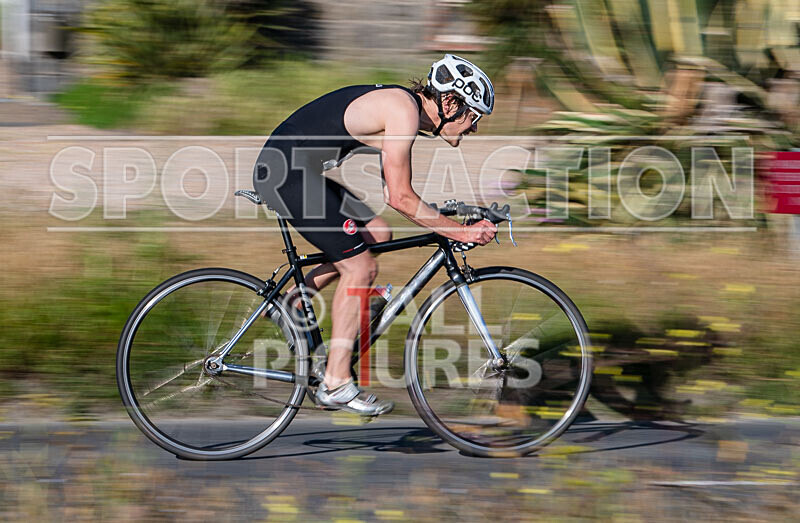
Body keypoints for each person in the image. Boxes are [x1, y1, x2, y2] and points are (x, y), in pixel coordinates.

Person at [252, 54, 498, 416]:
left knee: (377, 233)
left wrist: (446, 215)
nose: (474, 128)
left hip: (292, 168)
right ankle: (336, 383)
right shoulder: (403, 111)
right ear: (449, 102)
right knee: (360, 269)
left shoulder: (403, 110)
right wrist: (461, 232)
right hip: (285, 173)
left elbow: (396, 194)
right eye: (473, 116)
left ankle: (293, 301)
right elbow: (400, 197)